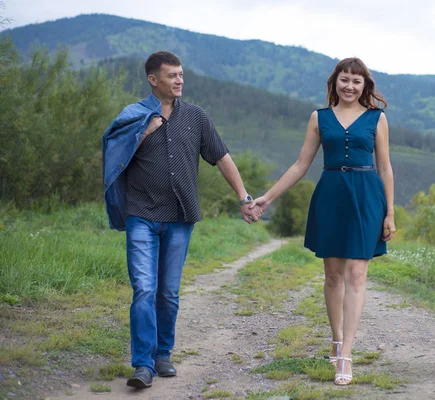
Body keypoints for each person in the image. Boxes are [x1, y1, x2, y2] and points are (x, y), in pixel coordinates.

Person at [101, 51, 262, 389]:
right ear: (153, 80)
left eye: (181, 75)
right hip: (141, 215)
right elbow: (114, 157)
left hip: (179, 217)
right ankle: (143, 364)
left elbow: (221, 158)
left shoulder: (196, 117)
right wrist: (144, 133)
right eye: (172, 75)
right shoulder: (134, 116)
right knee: (144, 289)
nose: (179, 80)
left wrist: (244, 197)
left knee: (168, 292)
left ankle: (163, 355)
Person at [251, 57, 396, 385]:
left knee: (357, 274)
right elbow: (301, 165)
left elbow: (385, 168)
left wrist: (389, 212)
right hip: (331, 196)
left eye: (356, 81)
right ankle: (335, 336)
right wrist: (267, 197)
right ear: (335, 82)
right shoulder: (319, 117)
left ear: (365, 86)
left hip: (367, 198)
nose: (349, 86)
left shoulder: (377, 119)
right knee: (333, 276)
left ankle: (346, 353)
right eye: (344, 79)